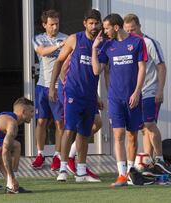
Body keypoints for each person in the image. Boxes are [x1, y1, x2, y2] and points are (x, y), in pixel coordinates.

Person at [92, 13, 147, 187]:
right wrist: (94, 49)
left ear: (116, 27)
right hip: (115, 98)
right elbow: (96, 71)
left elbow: (142, 69)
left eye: (106, 28)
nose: (104, 31)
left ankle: (131, 172)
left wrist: (137, 92)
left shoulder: (137, 42)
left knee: (132, 136)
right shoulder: (107, 45)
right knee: (118, 135)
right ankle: (122, 175)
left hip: (133, 97)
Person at [49, 9, 103, 182]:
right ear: (85, 23)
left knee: (85, 132)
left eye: (96, 23)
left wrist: (97, 95)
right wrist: (53, 86)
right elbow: (59, 62)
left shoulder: (102, 43)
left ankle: (81, 171)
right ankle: (63, 169)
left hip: (89, 95)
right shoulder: (75, 39)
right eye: (91, 23)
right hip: (72, 92)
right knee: (69, 129)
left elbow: (95, 73)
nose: (94, 27)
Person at [123, 14, 171, 176]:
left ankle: (159, 159)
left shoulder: (149, 42)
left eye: (133, 29)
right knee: (141, 129)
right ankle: (147, 161)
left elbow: (161, 67)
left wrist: (160, 90)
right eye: (128, 30)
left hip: (150, 91)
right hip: (134, 93)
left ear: (140, 26)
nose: (131, 33)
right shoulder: (127, 43)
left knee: (148, 124)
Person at [31, 9, 68, 171]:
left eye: (57, 24)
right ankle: (40, 154)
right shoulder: (39, 39)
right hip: (42, 86)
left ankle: (57, 155)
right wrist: (58, 46)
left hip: (60, 87)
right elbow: (42, 51)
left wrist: (62, 44)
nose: (54, 27)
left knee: (60, 123)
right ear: (44, 25)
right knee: (41, 121)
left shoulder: (67, 38)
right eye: (51, 24)